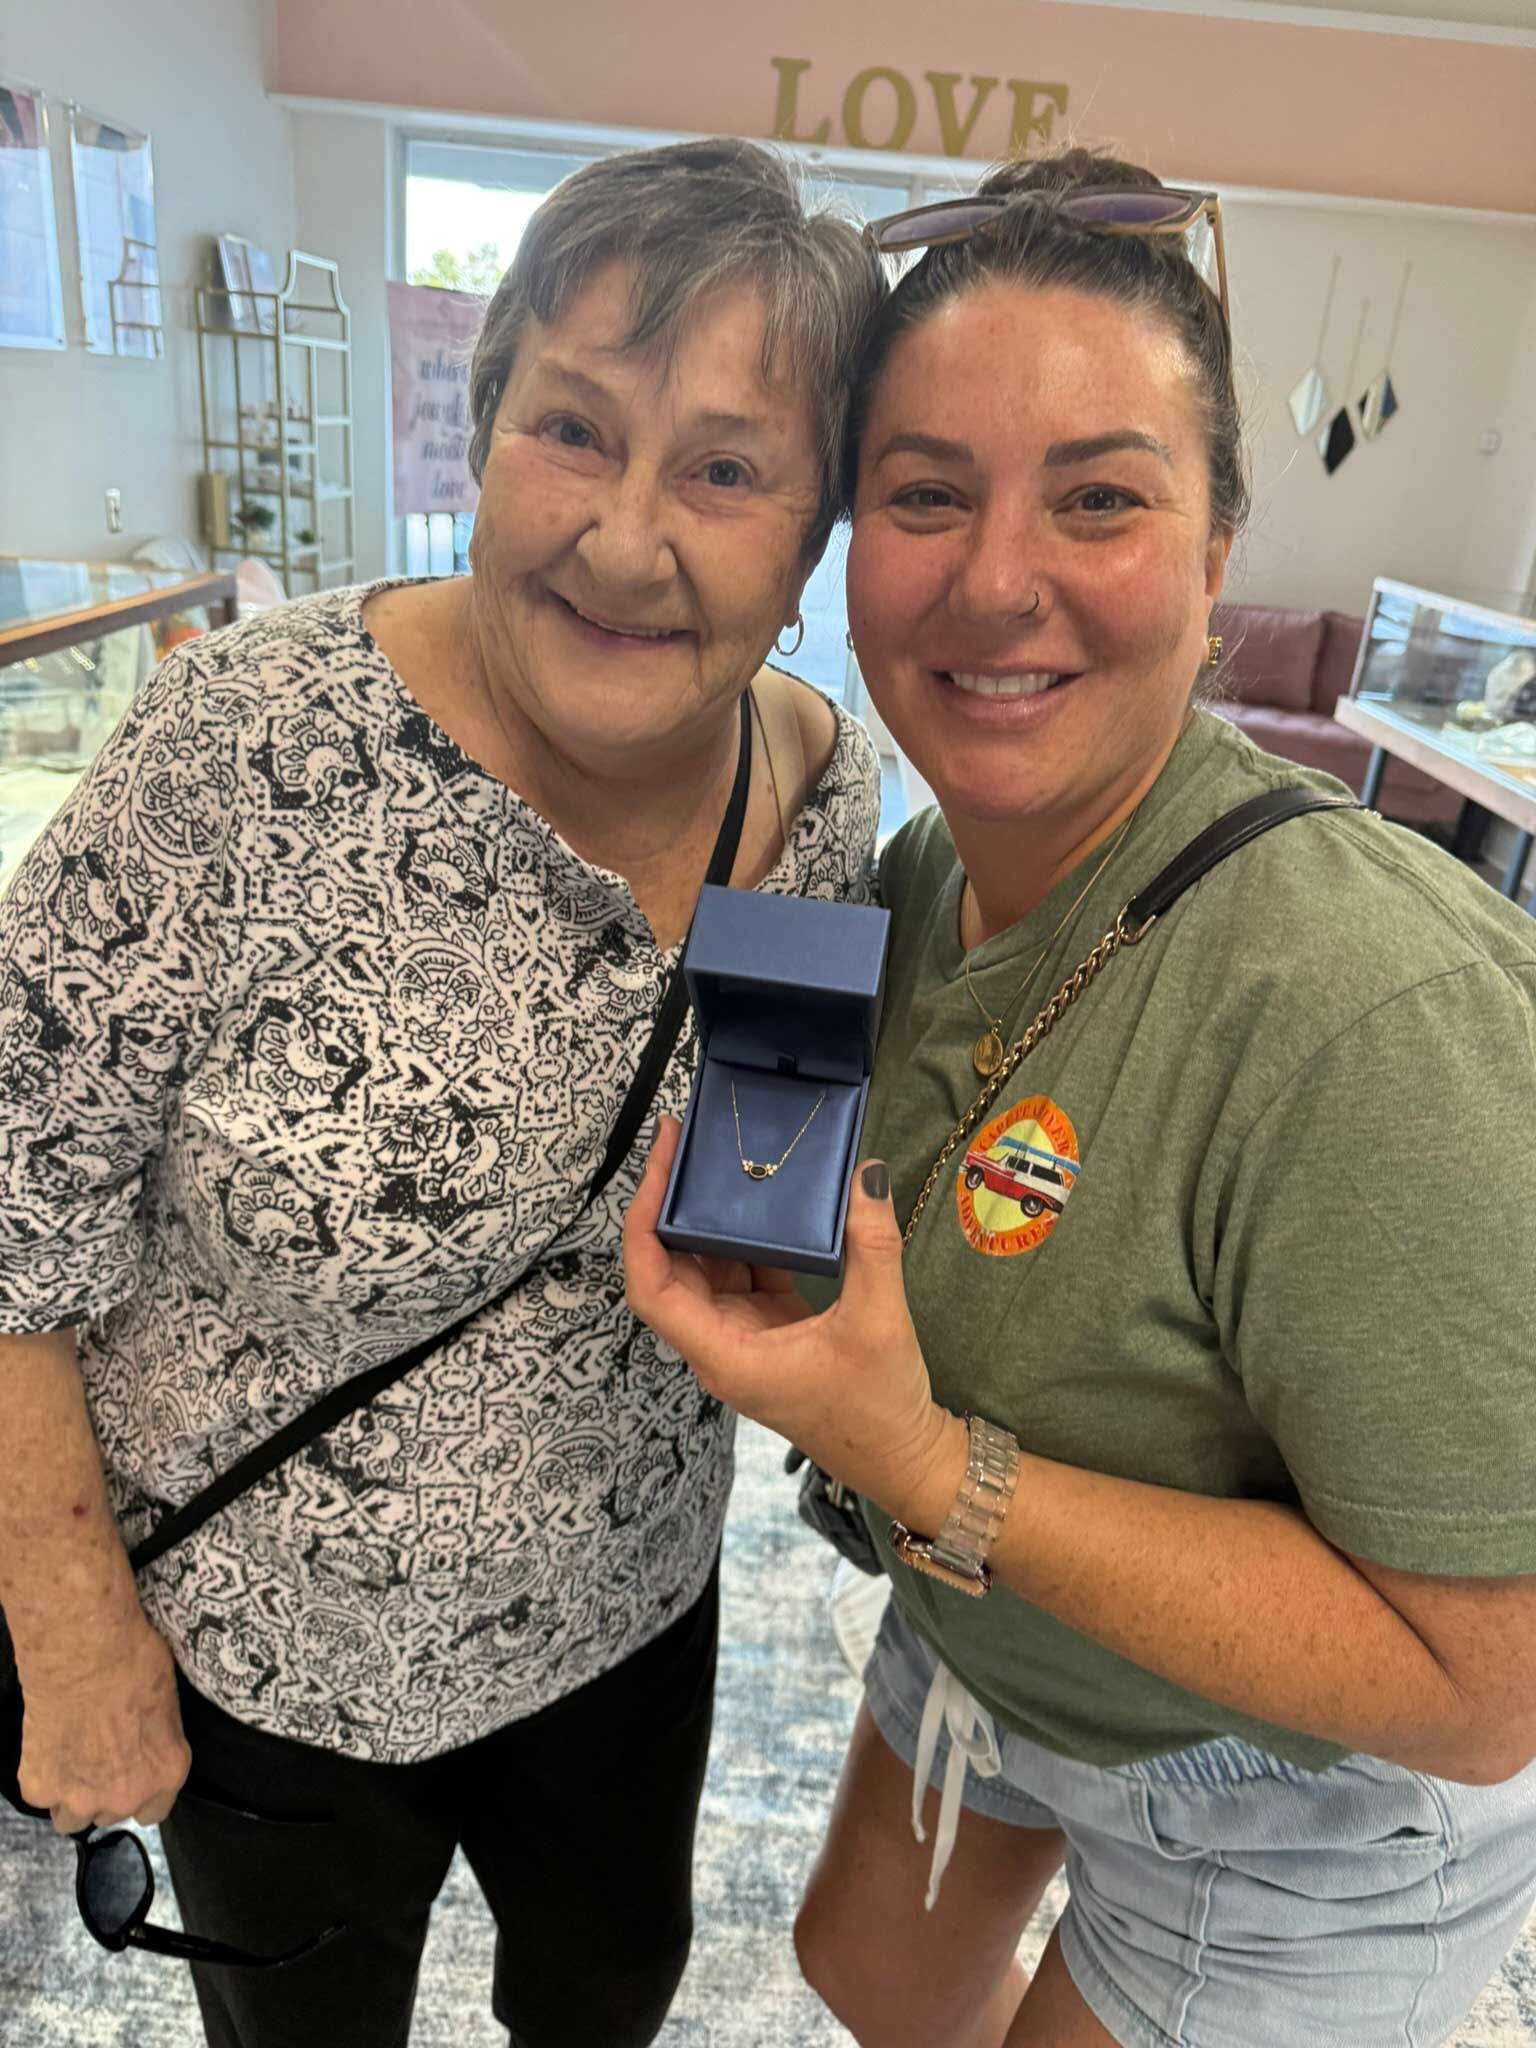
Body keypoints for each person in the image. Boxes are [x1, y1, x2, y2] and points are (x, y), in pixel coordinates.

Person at [623, 149, 1536, 2048]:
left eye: (1101, 499)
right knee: (864, 1978)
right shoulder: (922, 883)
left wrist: (927, 1465)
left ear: (1216, 558)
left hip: (1299, 1788)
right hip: (1005, 1648)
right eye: (925, 495)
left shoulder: (1373, 1017)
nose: (996, 579)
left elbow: (1485, 1679)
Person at [0, 138, 882, 2048]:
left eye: (726, 470)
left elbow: (782, 1161)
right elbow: (11, 1210)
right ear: (480, 427)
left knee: (604, 2003)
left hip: (635, 1619)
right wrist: (69, 1641)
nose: (628, 536)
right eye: (573, 427)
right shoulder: (236, 755)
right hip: (269, 1656)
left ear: (811, 543)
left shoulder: (822, 806)